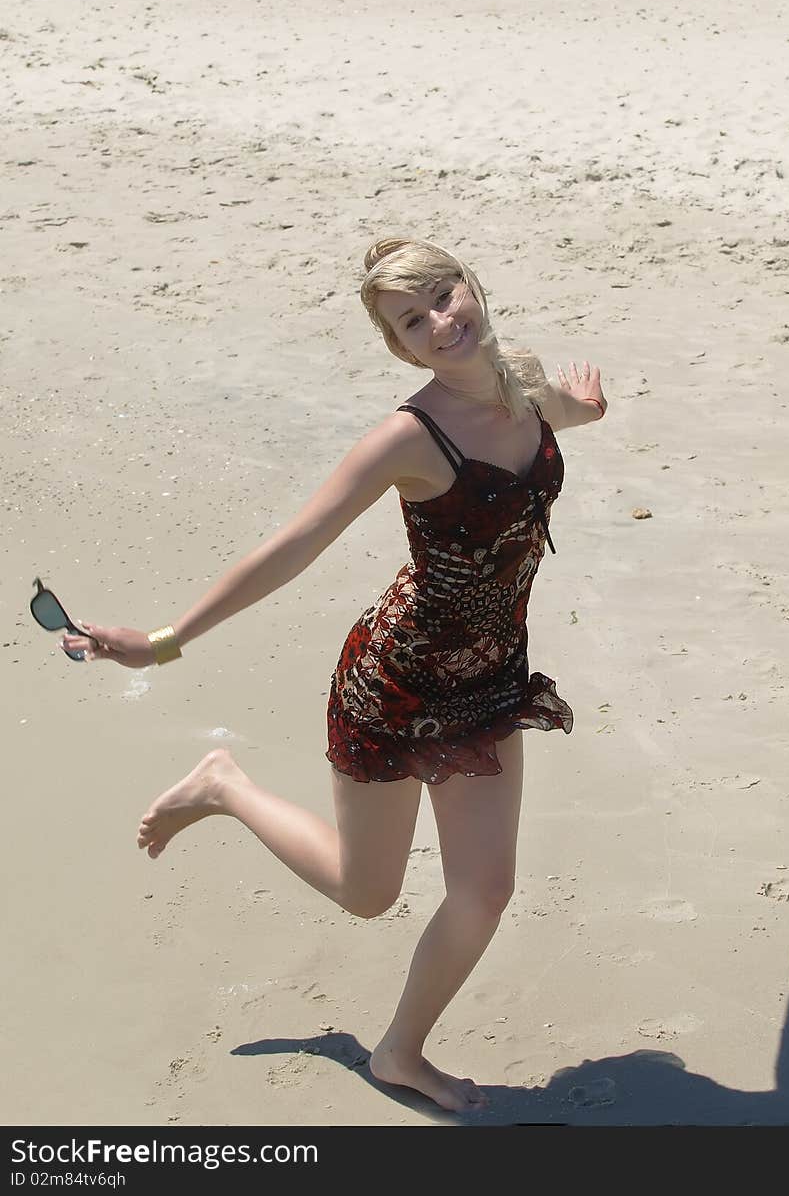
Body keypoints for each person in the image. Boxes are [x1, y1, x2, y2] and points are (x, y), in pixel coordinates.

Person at [61, 236, 608, 1113]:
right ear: (399, 345)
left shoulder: (522, 381)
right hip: (396, 685)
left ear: (470, 284)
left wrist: (588, 405)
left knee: (486, 888)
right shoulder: (407, 436)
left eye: (443, 294)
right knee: (368, 892)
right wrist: (162, 639)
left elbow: (561, 421)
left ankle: (399, 1053)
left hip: (491, 679)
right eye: (412, 320)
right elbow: (291, 549)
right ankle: (225, 786)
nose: (440, 321)